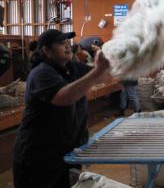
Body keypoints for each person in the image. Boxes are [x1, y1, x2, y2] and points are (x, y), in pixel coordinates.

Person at [13, 29, 110, 188]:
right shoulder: (42, 72)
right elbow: (64, 98)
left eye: (67, 43)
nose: (67, 47)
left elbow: (104, 78)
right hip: (38, 158)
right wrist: (98, 70)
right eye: (61, 43)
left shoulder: (71, 67)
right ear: (46, 50)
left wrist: (109, 62)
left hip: (66, 154)